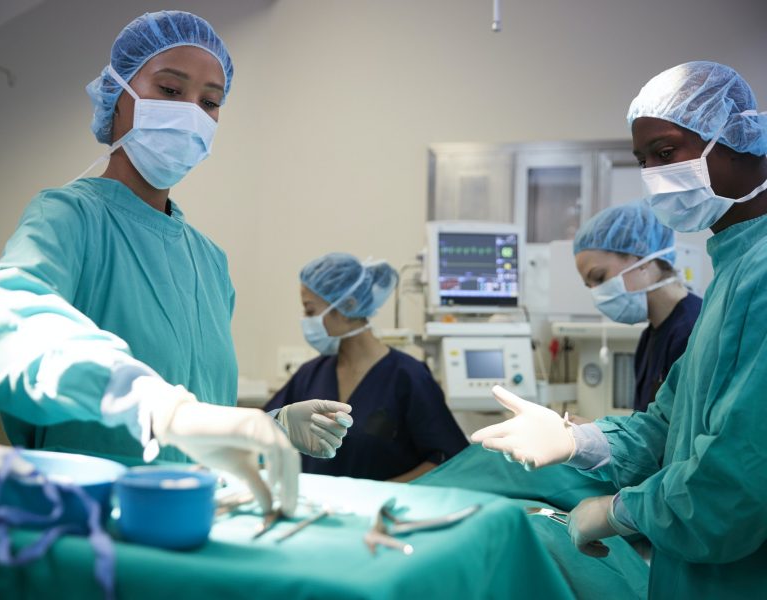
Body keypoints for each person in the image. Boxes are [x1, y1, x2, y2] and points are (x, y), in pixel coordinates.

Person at [0, 11, 351, 516]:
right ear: (118, 98)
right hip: (93, 530)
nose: (192, 112)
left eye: (210, 102)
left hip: (195, 522)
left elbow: (195, 409)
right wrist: (154, 406)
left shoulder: (209, 262)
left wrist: (269, 426)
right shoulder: (70, 217)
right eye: (171, 90)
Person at [472, 61, 767, 596]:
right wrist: (575, 440)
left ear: (739, 140)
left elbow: (735, 487)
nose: (654, 175)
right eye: (643, 161)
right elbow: (664, 428)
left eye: (666, 152)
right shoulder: (734, 273)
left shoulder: (761, 276)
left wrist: (617, 511)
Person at [264, 253, 468, 481]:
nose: (305, 319)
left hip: (384, 513)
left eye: (310, 311)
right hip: (316, 511)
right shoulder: (310, 375)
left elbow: (449, 459)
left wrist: (378, 494)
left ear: (348, 306)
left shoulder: (408, 377)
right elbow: (261, 429)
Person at [573, 201, 702, 413]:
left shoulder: (693, 331)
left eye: (599, 277)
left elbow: (681, 435)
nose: (597, 293)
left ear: (642, 259)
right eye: (590, 286)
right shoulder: (649, 338)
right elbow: (648, 425)